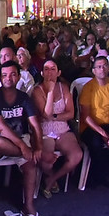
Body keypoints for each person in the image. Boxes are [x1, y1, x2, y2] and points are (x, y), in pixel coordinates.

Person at [0, 60, 43, 216]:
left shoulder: (24, 98)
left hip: (19, 140)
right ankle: (29, 155)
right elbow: (1, 127)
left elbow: (35, 124)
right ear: (0, 77)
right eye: (4, 75)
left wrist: (38, 147)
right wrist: (25, 148)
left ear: (18, 76)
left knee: (30, 165)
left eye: (12, 74)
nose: (8, 78)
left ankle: (29, 207)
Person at [31, 59, 83, 197]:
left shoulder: (64, 88)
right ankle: (50, 175)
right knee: (46, 161)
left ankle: (51, 179)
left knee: (76, 155)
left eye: (53, 69)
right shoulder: (37, 90)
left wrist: (54, 117)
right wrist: (50, 92)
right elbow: (46, 114)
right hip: (45, 130)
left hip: (63, 129)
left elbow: (71, 113)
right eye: (46, 69)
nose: (49, 72)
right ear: (42, 73)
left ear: (59, 72)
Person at [79, 56, 109, 188]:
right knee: (96, 143)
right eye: (98, 66)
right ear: (93, 71)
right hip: (90, 126)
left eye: (105, 65)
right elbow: (85, 116)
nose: (102, 69)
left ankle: (102, 172)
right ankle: (98, 175)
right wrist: (103, 133)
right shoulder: (88, 87)